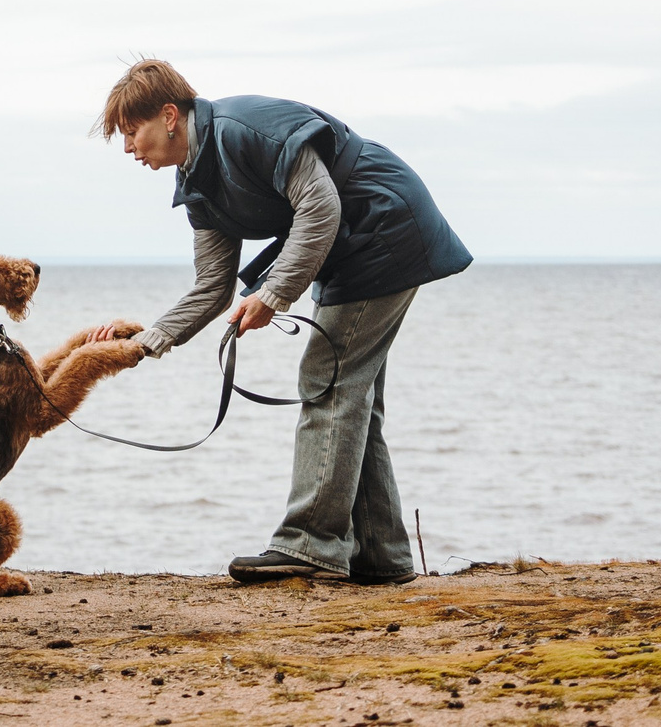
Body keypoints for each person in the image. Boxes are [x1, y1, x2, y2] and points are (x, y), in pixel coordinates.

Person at [88, 58, 471, 585]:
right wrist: (146, 342)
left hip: (385, 225)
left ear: (170, 115)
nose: (130, 148)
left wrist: (272, 294)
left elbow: (320, 208)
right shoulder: (197, 182)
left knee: (328, 380)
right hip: (346, 248)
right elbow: (212, 286)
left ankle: (309, 545)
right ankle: (381, 557)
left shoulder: (247, 130)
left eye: (133, 133)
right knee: (353, 396)